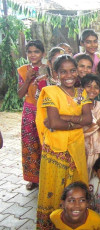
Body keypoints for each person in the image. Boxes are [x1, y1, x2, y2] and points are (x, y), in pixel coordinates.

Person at [35, 54, 92, 228]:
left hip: (75, 148)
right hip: (56, 150)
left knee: (75, 188)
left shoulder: (82, 93)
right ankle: (51, 224)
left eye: (72, 70)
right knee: (54, 190)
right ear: (55, 73)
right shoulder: (50, 92)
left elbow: (88, 119)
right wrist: (76, 122)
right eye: (63, 72)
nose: (69, 75)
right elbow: (53, 123)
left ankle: (74, 224)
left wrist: (64, 118)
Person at [17, 40, 46, 191]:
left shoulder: (49, 69)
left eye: (36, 51)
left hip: (46, 110)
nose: (33, 55)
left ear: (43, 53)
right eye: (30, 52)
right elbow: (19, 94)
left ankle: (47, 176)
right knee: (30, 144)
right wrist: (28, 79)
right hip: (29, 111)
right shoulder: (22, 70)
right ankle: (33, 178)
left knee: (45, 144)